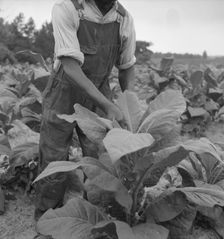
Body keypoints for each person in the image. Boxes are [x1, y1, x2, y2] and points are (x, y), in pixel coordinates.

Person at [35, 0, 136, 222]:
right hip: (63, 91)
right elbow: (70, 65)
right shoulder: (67, 8)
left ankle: (96, 216)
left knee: (101, 155)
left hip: (99, 91)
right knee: (54, 154)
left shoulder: (123, 19)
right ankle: (47, 217)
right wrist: (108, 105)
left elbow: (127, 66)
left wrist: (128, 105)